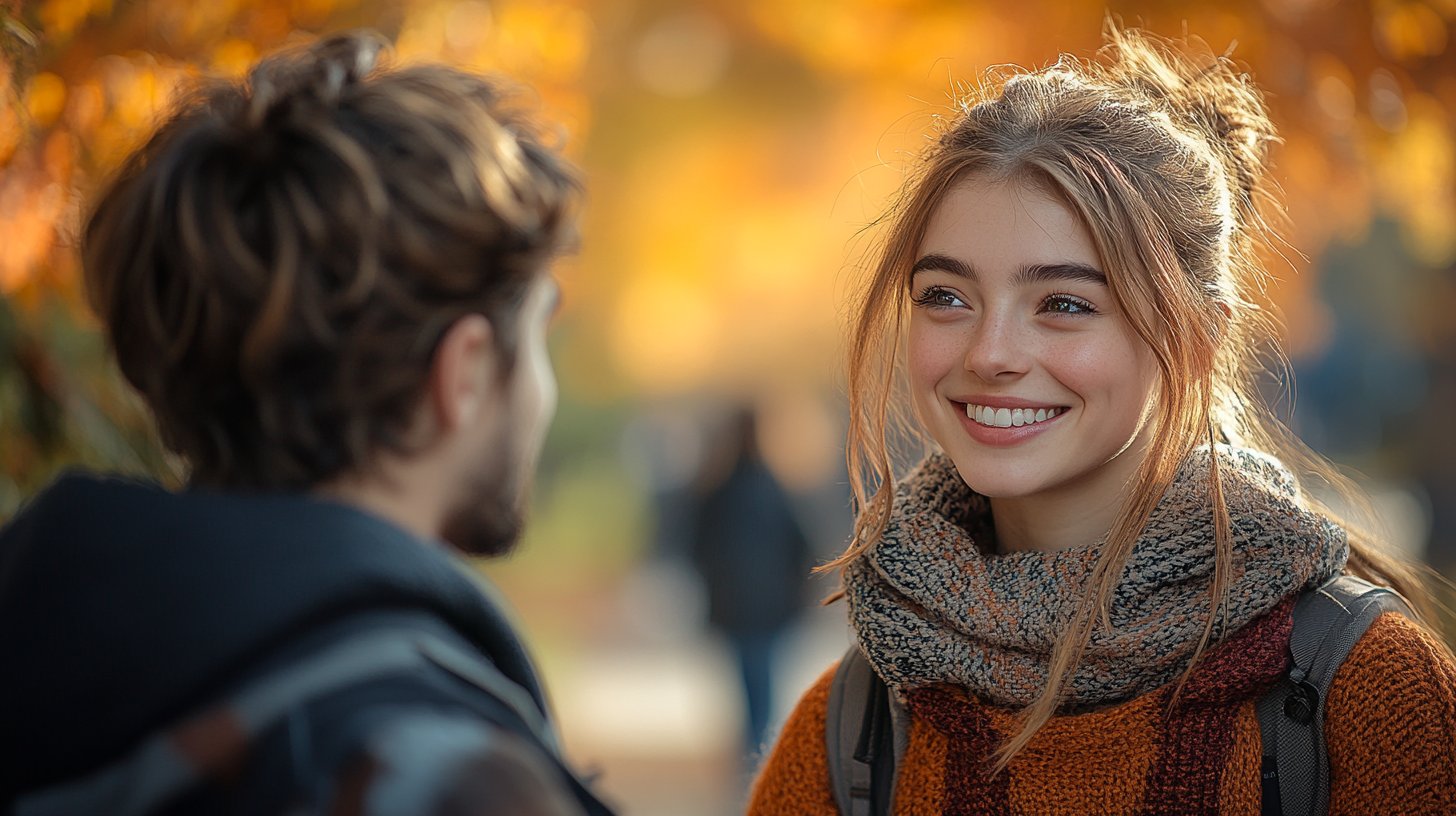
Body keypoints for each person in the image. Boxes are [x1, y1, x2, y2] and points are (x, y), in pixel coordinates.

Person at [748, 26, 1456, 815]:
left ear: (1195, 339)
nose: (990, 352)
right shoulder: (857, 726)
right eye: (946, 296)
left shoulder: (1363, 694)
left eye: (1063, 304)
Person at [0, 32, 615, 816]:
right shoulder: (439, 776)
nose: (541, 392)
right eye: (535, 336)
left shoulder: (43, 668)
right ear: (461, 374)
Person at [689, 406, 813, 759]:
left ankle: (753, 761)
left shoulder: (714, 492)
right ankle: (758, 761)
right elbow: (802, 546)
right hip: (771, 609)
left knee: (747, 690)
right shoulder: (776, 489)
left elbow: (696, 547)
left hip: (735, 609)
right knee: (764, 690)